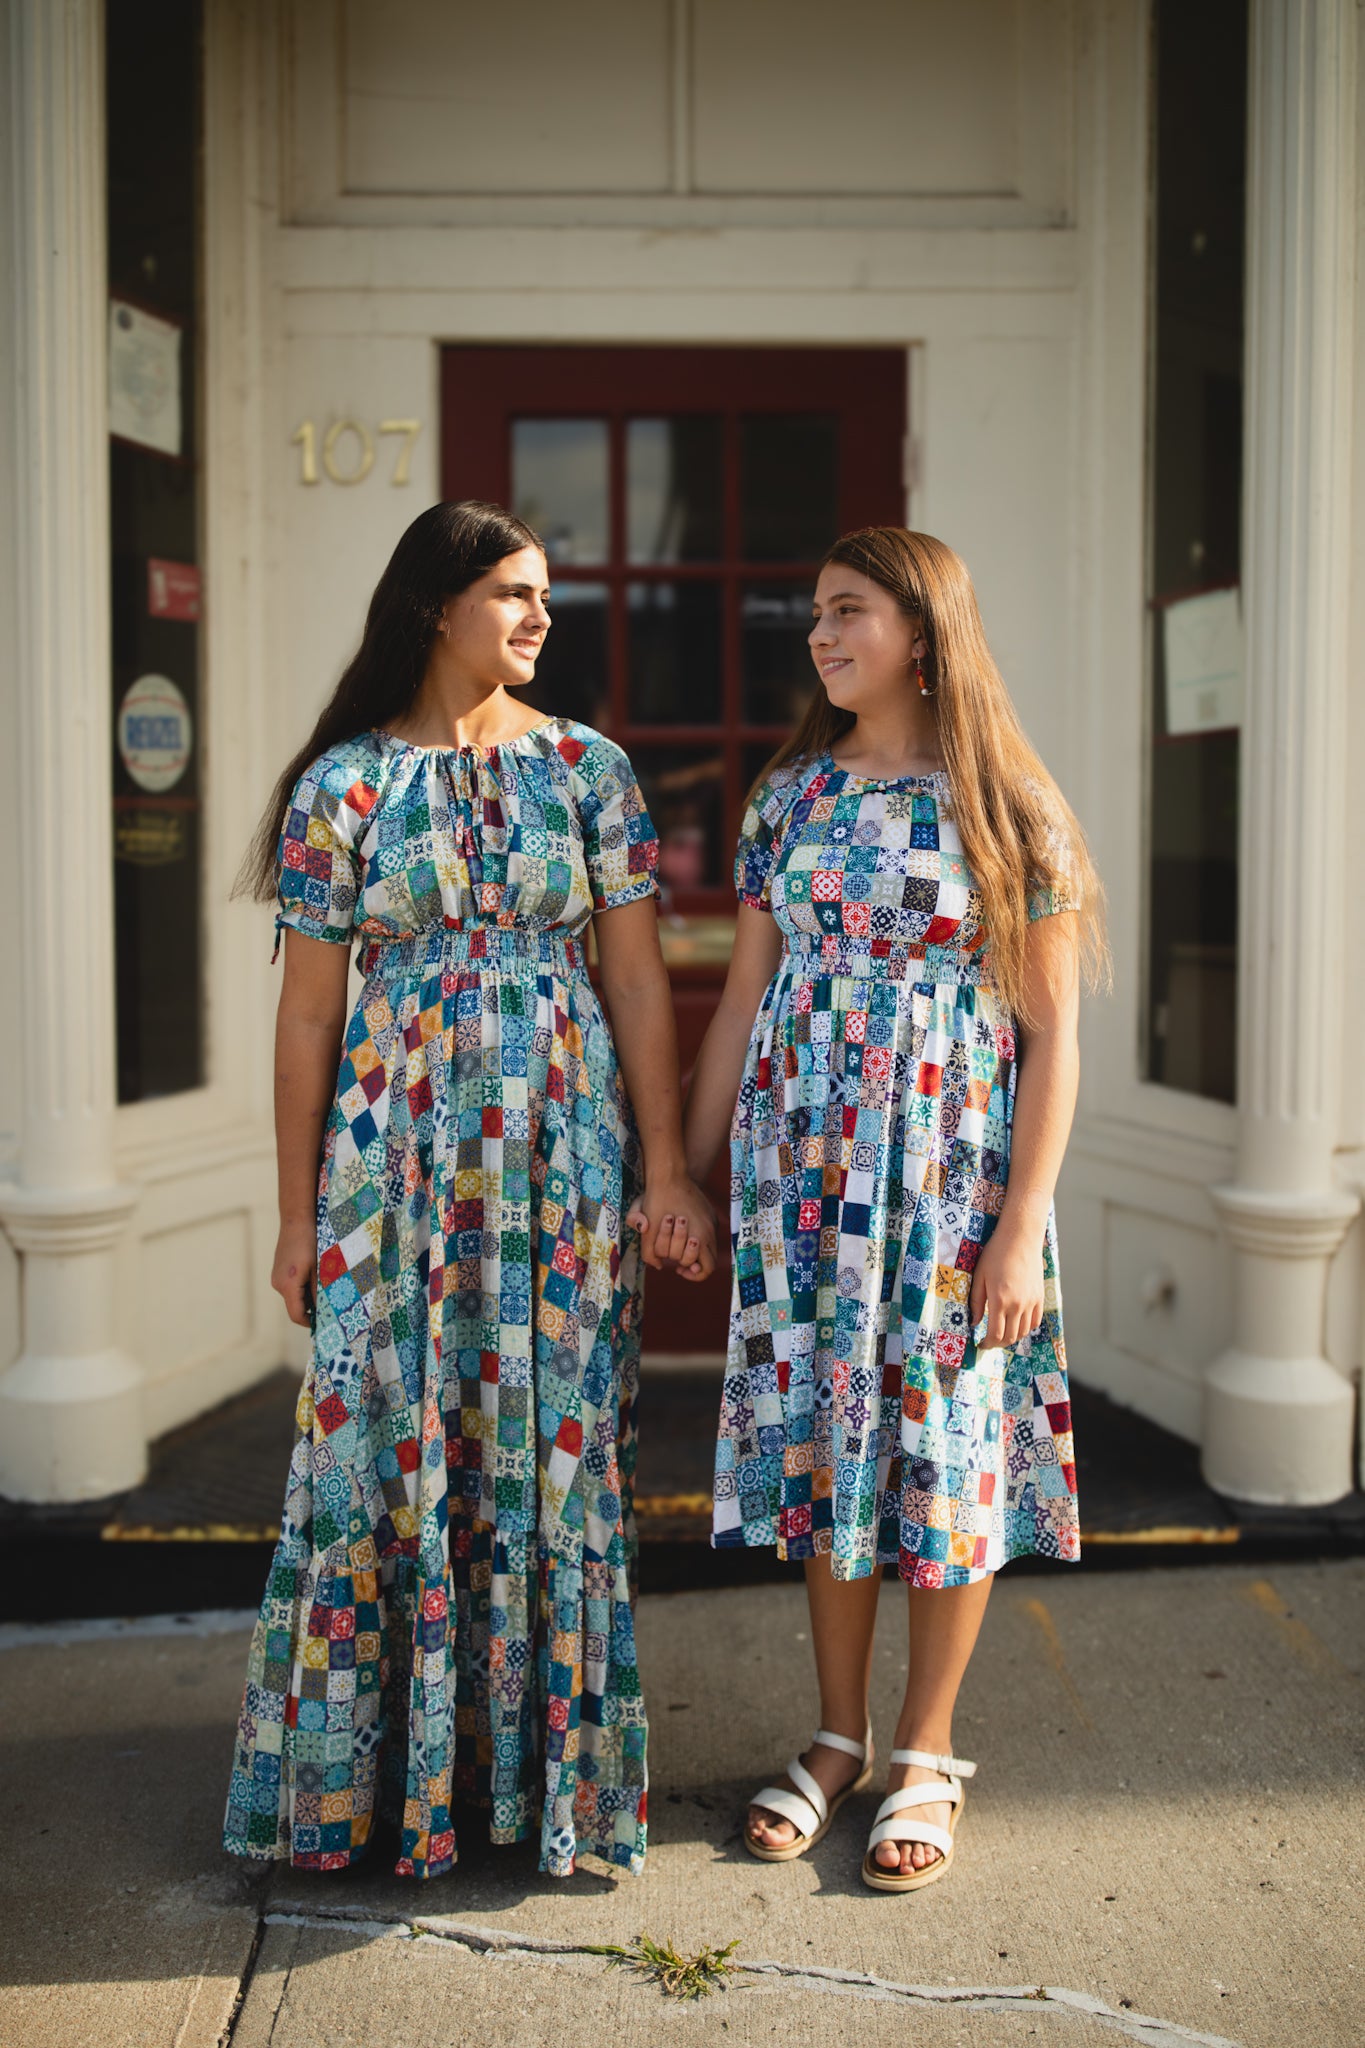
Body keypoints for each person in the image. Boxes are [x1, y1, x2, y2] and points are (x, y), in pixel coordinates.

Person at [223, 500, 714, 1882]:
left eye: (544, 592)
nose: (539, 615)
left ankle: (528, 1789)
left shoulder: (589, 772)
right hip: (394, 1169)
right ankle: (374, 1790)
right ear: (435, 606)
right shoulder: (341, 789)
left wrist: (665, 1167)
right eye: (511, 592)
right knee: (382, 1448)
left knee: (546, 1451)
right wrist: (297, 1213)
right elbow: (309, 1019)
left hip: (561, 1165)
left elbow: (631, 977)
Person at [673, 526, 1106, 1892]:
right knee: (830, 1458)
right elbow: (743, 999)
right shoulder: (790, 797)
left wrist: (1020, 1225)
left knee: (949, 1458)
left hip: (948, 1192)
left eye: (845, 611)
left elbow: (1051, 1037)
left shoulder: (1009, 807)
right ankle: (834, 1736)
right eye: (813, 611)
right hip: (804, 1189)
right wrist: (682, 1171)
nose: (818, 634)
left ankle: (925, 1750)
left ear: (921, 631)